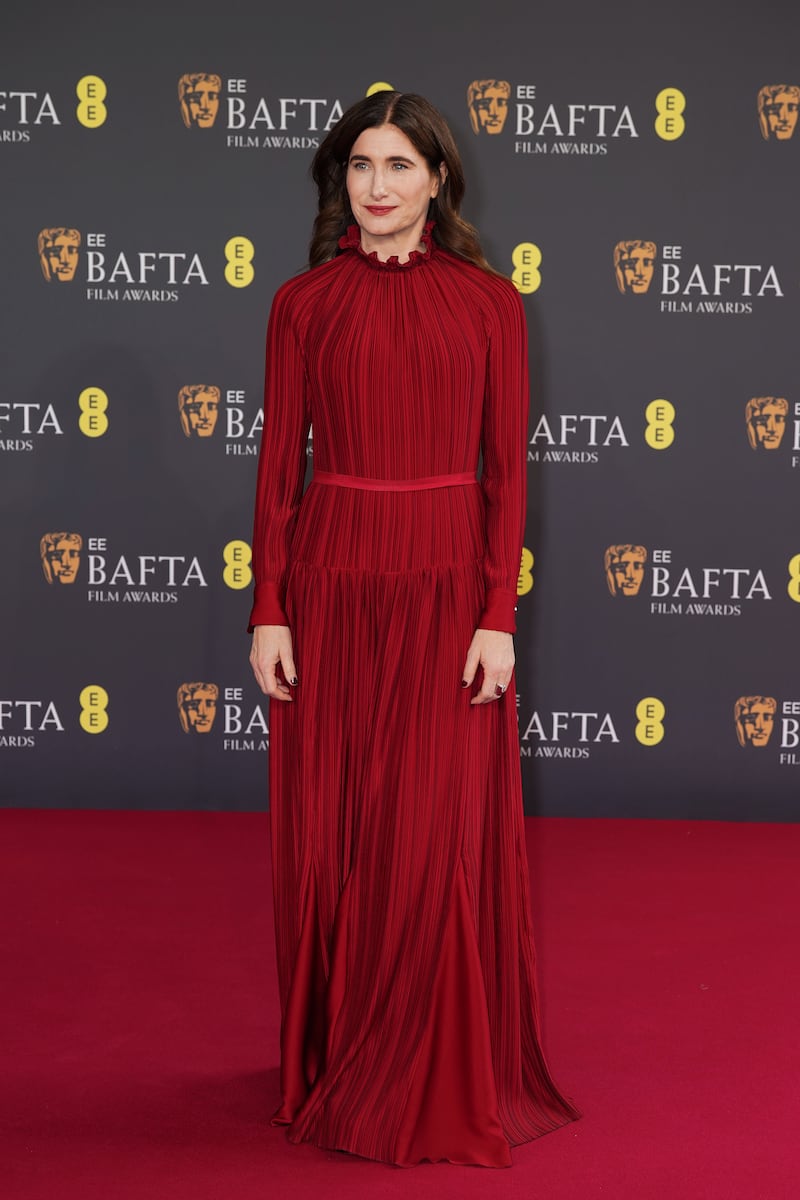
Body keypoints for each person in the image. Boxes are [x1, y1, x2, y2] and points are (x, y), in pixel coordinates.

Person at [248, 89, 580, 1168]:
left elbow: (507, 473)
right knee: (341, 834)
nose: (377, 187)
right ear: (339, 183)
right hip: (335, 584)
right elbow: (275, 473)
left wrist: (497, 613)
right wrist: (268, 606)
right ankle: (341, 1054)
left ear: (439, 177)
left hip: (447, 588)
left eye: (397, 165)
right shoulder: (302, 305)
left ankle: (432, 1070)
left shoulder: (491, 306)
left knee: (431, 834)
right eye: (358, 167)